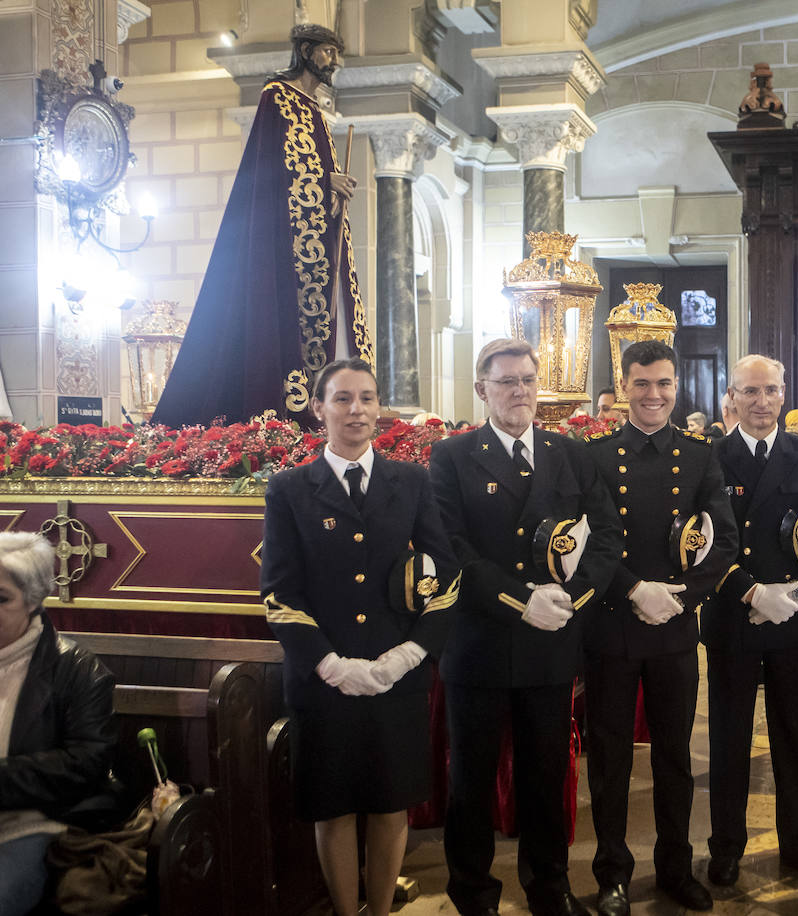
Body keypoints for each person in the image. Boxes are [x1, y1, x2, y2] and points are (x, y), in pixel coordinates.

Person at [430, 339, 621, 916]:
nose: (519, 392)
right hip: (480, 643)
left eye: (528, 381)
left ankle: (549, 886)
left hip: (551, 639)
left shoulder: (570, 455)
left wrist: (570, 597)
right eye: (507, 381)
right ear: (481, 388)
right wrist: (519, 600)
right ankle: (473, 892)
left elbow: (607, 537)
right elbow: (451, 547)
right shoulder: (453, 457)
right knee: (472, 778)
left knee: (546, 774)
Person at [260, 358, 457, 916]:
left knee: (392, 805)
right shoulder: (291, 489)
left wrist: (412, 653)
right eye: (343, 399)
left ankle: (381, 906)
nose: (357, 410)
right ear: (318, 408)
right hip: (326, 680)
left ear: (379, 408)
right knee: (336, 807)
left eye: (367, 398)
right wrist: (330, 665)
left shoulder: (412, 482)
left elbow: (447, 572)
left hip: (398, 673)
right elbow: (279, 592)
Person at [583, 341, 737, 915]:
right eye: (642, 383)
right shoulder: (595, 456)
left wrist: (680, 598)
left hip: (673, 626)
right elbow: (590, 540)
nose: (654, 395)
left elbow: (724, 541)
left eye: (664, 384)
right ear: (623, 386)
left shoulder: (700, 456)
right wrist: (631, 588)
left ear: (677, 387)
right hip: (611, 626)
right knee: (611, 759)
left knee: (675, 755)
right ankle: (612, 873)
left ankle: (676, 867)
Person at [154, 24, 369, 428]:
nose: (334, 62)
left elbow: (312, 167)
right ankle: (291, 408)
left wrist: (333, 188)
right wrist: (325, 180)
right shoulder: (278, 98)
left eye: (336, 54)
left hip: (321, 233)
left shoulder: (316, 109)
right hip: (287, 239)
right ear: (305, 50)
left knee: (329, 315)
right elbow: (270, 170)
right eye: (327, 52)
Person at [702, 355, 798, 888]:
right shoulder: (710, 457)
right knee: (728, 737)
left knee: (795, 736)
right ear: (731, 398)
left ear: (784, 394)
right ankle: (726, 847)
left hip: (793, 614)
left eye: (770, 390)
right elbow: (700, 540)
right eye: (750, 391)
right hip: (733, 613)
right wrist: (749, 591)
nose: (761, 401)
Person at [0, 533, 116, 915]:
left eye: (1, 599)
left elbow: (86, 763)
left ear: (33, 601)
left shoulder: (76, 669)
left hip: (30, 826)